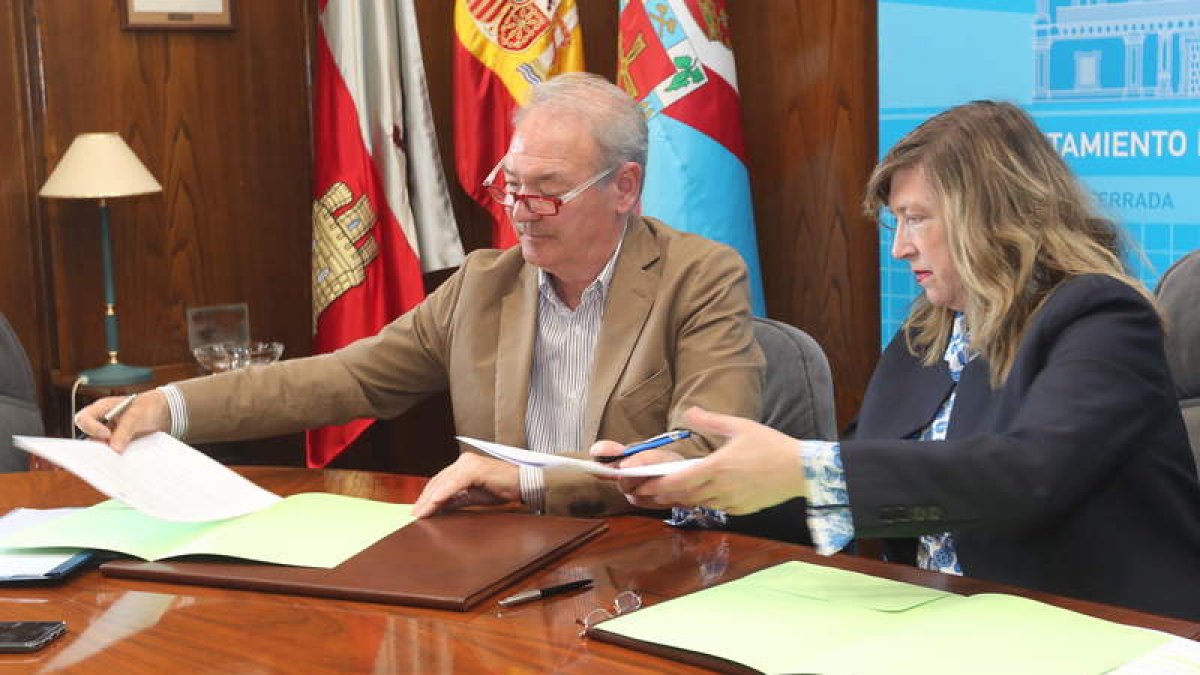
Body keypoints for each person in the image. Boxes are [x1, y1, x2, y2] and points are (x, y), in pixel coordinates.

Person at [596, 100, 1200, 620]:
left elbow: (1027, 475)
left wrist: (806, 466)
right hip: (944, 620)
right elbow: (863, 494)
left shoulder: (1101, 317)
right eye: (896, 222)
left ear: (990, 215)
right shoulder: (929, 331)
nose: (900, 246)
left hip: (1099, 629)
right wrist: (700, 485)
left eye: (915, 219)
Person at [76, 72, 763, 519]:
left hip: (645, 572)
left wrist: (521, 480)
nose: (520, 210)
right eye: (510, 184)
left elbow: (702, 451)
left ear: (624, 188)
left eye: (546, 191)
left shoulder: (697, 277)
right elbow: (344, 378)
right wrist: (169, 405)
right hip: (504, 568)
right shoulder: (485, 285)